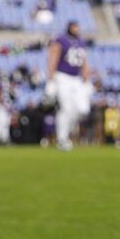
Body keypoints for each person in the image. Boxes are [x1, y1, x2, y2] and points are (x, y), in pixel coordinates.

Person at [46, 19, 95, 150]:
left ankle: (68, 130)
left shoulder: (81, 42)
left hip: (76, 79)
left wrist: (87, 79)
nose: (77, 29)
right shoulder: (61, 40)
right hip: (62, 77)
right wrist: (51, 79)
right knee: (66, 109)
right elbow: (53, 58)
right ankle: (62, 139)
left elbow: (85, 62)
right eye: (75, 27)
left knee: (83, 109)